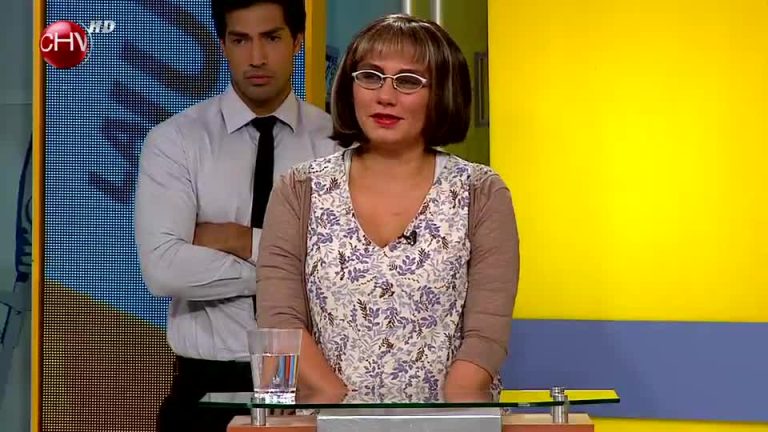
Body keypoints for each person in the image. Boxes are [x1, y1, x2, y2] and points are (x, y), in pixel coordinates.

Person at [256, 14, 519, 401]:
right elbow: (280, 321)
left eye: (408, 81)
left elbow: (486, 334)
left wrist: (452, 413)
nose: (385, 96)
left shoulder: (481, 192)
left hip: (448, 419)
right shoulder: (299, 189)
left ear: (443, 93)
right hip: (326, 418)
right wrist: (340, 409)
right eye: (371, 76)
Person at [134, 0, 337, 430]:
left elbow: (343, 269)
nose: (257, 57)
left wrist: (239, 240)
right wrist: (289, 270)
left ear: (297, 42)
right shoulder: (175, 141)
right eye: (241, 40)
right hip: (206, 384)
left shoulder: (336, 144)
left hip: (314, 381)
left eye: (272, 38)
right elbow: (163, 270)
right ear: (223, 45)